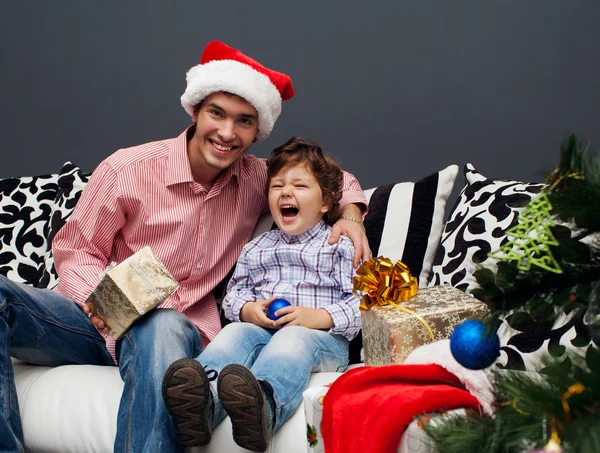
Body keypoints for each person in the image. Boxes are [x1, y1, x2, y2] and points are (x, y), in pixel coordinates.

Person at [0, 41, 369, 453]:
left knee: (161, 322)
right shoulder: (128, 169)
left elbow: (331, 178)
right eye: (217, 114)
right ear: (196, 111)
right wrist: (101, 301)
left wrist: (351, 213)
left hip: (175, 328)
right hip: (93, 320)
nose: (228, 133)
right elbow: (77, 248)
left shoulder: (256, 179)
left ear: (257, 131)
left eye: (244, 121)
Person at [162, 136, 362, 452]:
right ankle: (201, 405)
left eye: (299, 186)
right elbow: (234, 294)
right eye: (277, 186)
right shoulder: (257, 248)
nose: (286, 192)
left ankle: (265, 407)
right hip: (262, 330)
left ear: (326, 203)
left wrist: (318, 317)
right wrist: (248, 311)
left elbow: (364, 303)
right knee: (234, 334)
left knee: (292, 338)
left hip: (321, 339)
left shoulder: (339, 246)